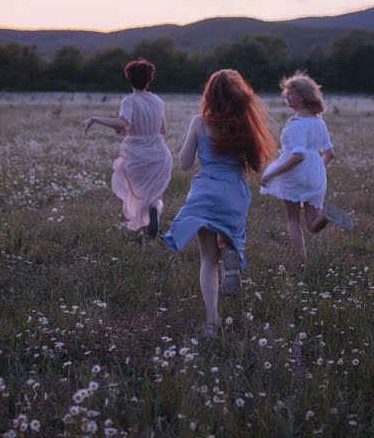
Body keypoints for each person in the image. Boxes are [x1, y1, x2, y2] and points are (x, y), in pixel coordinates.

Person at [161, 69, 276, 337]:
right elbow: (256, 165)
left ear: (209, 95)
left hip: (205, 193)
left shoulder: (199, 123)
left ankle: (212, 321)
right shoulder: (245, 124)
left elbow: (186, 163)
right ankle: (230, 252)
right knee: (226, 233)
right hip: (234, 193)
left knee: (207, 259)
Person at [260, 71, 352, 266]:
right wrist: (318, 168)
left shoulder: (296, 125)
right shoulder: (319, 122)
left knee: (293, 221)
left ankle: (302, 263)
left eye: (290, 93)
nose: (286, 96)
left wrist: (272, 173)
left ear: (302, 97)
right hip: (317, 175)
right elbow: (330, 153)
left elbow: (298, 155)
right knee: (312, 224)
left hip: (296, 175)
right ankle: (326, 215)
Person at [80, 58, 173, 238]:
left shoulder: (129, 100)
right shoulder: (158, 101)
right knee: (154, 198)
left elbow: (124, 122)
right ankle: (153, 220)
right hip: (159, 153)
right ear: (149, 79)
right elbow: (163, 129)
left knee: (139, 197)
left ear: (129, 79)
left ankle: (148, 236)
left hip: (136, 155)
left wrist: (95, 119)